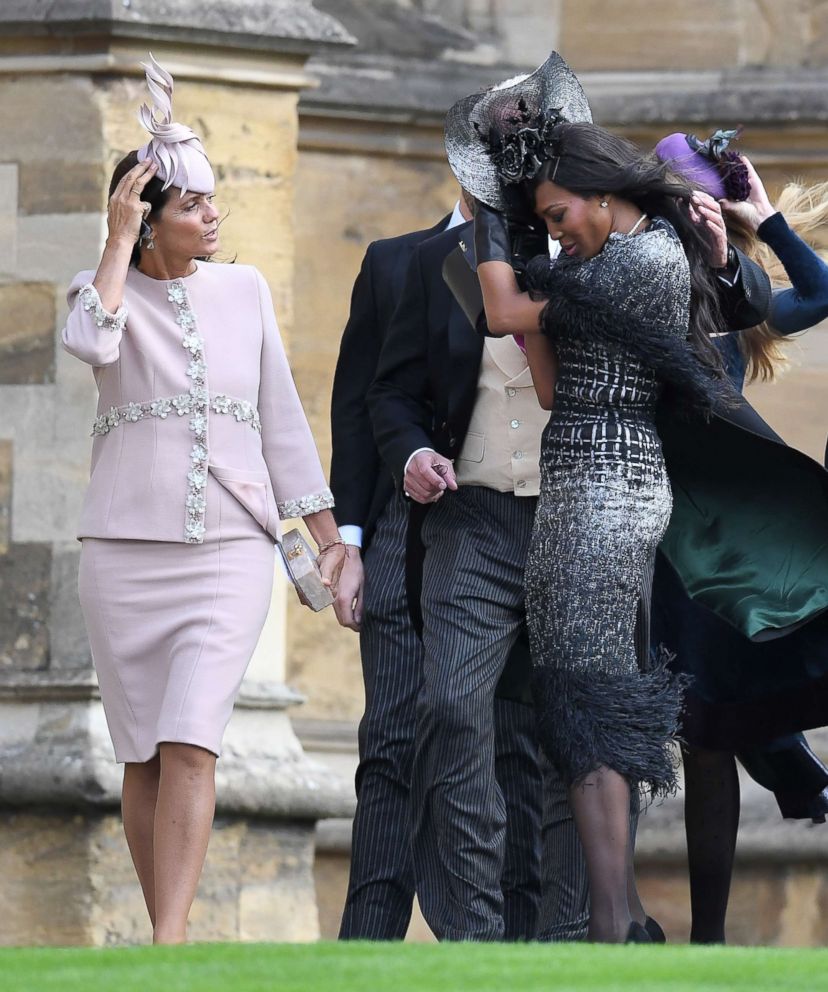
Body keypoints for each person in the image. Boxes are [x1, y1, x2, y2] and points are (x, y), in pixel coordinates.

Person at [62, 57, 344, 944]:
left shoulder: (247, 290)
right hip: (123, 552)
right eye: (193, 205)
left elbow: (284, 423)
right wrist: (113, 245)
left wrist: (332, 541)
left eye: (214, 200)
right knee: (141, 754)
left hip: (229, 547)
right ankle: (164, 936)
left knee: (191, 738)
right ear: (147, 221)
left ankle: (171, 938)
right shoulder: (102, 291)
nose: (214, 214)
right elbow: (87, 344)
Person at [368, 54, 607, 944]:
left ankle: (566, 935)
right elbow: (388, 394)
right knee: (450, 708)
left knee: (568, 728)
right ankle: (470, 936)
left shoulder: (603, 251)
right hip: (470, 518)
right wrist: (414, 452)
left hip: (575, 519)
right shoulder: (440, 261)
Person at [330, 195, 544, 941]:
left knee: (514, 743)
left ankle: (506, 949)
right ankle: (367, 948)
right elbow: (361, 407)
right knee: (390, 742)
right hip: (399, 534)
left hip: (512, 528)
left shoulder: (561, 255)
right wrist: (347, 541)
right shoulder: (395, 261)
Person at [654, 131, 828, 943]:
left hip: (732, 549)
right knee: (704, 728)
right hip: (661, 543)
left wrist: (764, 219)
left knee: (714, 724)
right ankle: (793, 771)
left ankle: (710, 939)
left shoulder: (736, 307)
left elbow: (821, 293)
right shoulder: (641, 288)